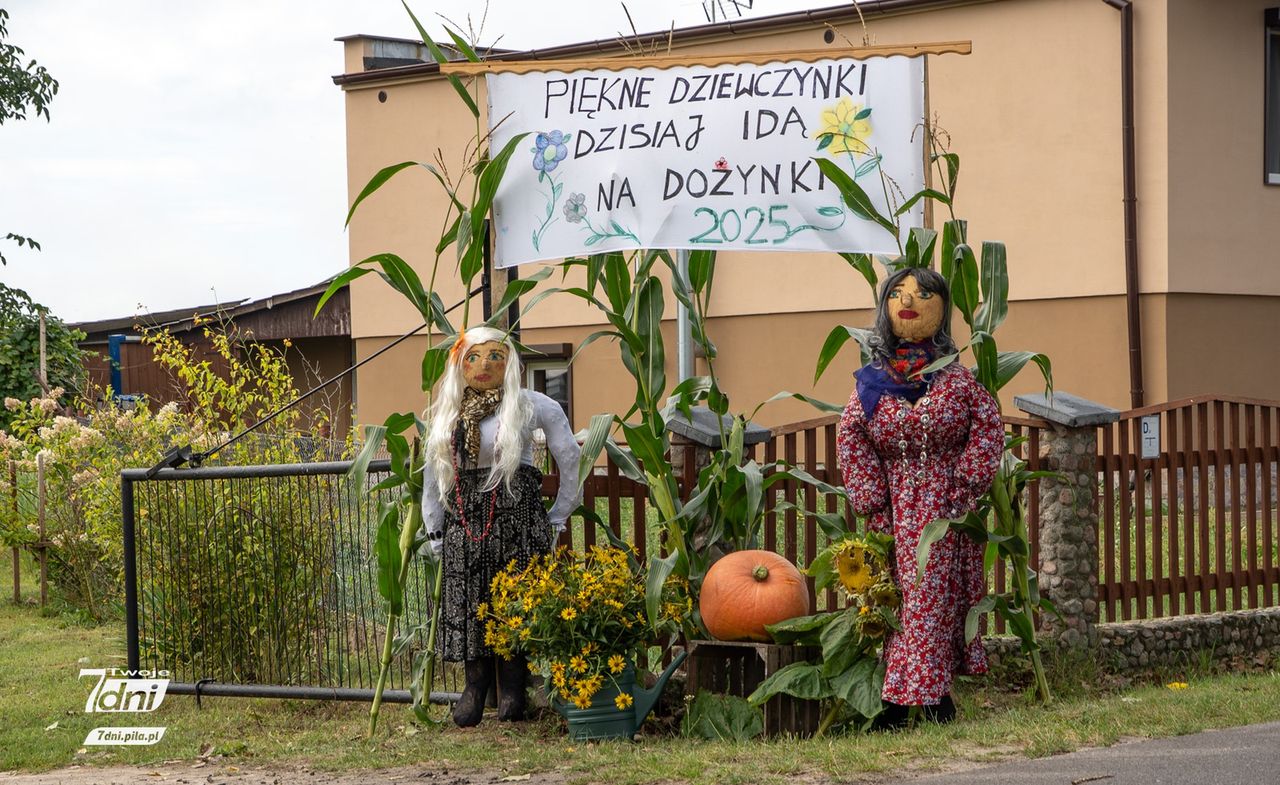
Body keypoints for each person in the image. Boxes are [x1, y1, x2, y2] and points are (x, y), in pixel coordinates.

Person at [836, 267, 1003, 727]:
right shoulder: (872, 383)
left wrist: (965, 486)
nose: (909, 301)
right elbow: (851, 434)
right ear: (886, 307)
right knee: (898, 602)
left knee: (931, 597)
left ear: (941, 309)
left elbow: (987, 425)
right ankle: (912, 699)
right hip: (892, 513)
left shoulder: (955, 379)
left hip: (944, 513)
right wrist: (871, 500)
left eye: (923, 295)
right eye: (899, 294)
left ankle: (922, 699)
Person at [417, 326, 582, 727]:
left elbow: (569, 455)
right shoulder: (449, 415)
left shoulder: (530, 405)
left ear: (509, 363)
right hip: (465, 524)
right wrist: (434, 528)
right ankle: (474, 690)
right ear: (460, 363)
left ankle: (512, 692)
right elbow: (433, 477)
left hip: (517, 520)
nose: (484, 364)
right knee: (472, 603)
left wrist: (559, 513)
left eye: (494, 355)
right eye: (473, 357)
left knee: (514, 603)